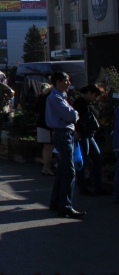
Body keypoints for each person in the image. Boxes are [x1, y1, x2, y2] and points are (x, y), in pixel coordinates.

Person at [46, 72, 85, 219]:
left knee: (63, 170)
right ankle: (65, 206)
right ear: (57, 82)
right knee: (69, 171)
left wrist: (73, 113)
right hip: (63, 134)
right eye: (66, 81)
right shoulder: (55, 97)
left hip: (63, 133)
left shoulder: (60, 97)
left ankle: (56, 202)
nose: (68, 83)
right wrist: (74, 113)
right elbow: (71, 116)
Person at [73, 84, 107, 196]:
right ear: (89, 93)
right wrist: (77, 131)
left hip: (89, 134)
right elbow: (75, 118)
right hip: (82, 134)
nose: (96, 98)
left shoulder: (88, 104)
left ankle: (97, 185)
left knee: (98, 159)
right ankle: (83, 187)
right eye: (95, 95)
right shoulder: (80, 103)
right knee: (83, 161)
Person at [34, 84, 55, 176]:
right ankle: (46, 168)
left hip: (41, 123)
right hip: (48, 124)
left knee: (46, 147)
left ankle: (46, 167)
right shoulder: (51, 97)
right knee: (49, 147)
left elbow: (35, 109)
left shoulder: (42, 96)